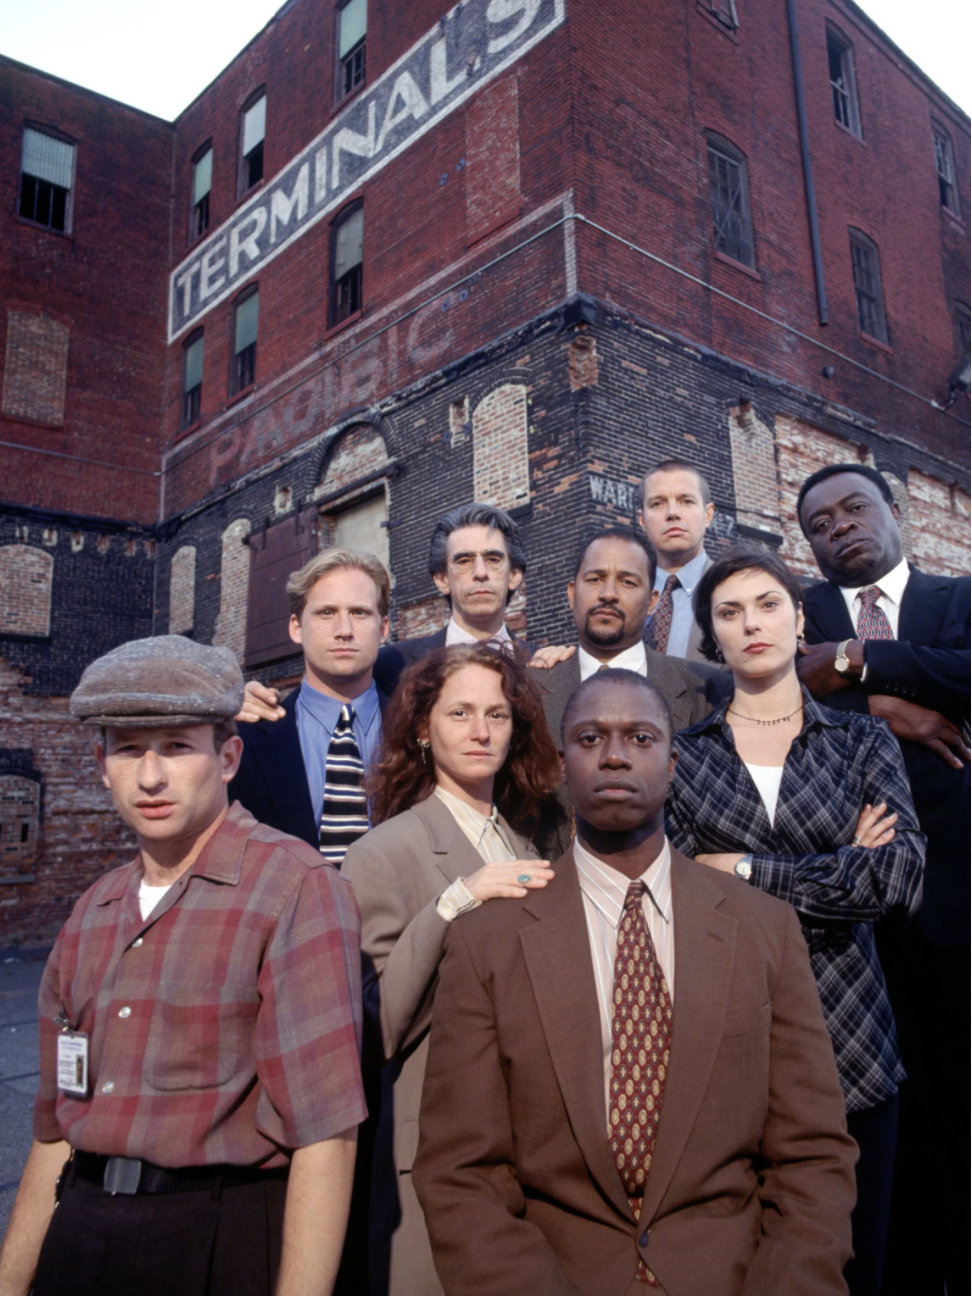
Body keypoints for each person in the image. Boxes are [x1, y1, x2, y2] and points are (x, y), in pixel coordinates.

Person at [413, 668, 857, 1295]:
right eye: (591, 739)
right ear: (562, 764)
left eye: (640, 738)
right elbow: (462, 1174)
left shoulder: (763, 928)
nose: (616, 755)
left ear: (673, 764)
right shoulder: (489, 940)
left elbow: (812, 1156)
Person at [0, 635, 365, 1296]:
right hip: (79, 1229)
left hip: (216, 1237)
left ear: (227, 758)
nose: (150, 777)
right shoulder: (92, 912)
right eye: (129, 749)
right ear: (102, 764)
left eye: (176, 746)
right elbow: (53, 1132)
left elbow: (326, 1138)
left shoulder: (292, 888)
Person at [665, 546, 925, 1296]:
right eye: (731, 612)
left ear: (799, 615)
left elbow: (898, 878)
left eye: (769, 604)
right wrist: (841, 864)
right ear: (711, 636)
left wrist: (743, 869)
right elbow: (684, 898)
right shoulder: (686, 759)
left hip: (853, 1042)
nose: (753, 624)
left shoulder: (859, 740)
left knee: (856, 1265)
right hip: (732, 1041)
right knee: (746, 1268)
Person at [794, 463, 970, 1296]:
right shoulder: (800, 613)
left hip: (954, 905)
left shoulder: (956, 598)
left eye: (854, 509)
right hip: (849, 920)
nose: (840, 529)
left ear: (892, 512)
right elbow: (764, 691)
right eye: (820, 524)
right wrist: (884, 707)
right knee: (880, 1131)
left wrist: (857, 660)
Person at [341, 644, 559, 1296]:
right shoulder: (383, 852)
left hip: (535, 1149)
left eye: (497, 714)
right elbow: (372, 1028)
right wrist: (455, 900)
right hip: (436, 1156)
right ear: (420, 727)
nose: (480, 730)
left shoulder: (535, 841)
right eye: (459, 712)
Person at [530, 527, 731, 857]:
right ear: (571, 592)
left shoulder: (705, 689)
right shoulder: (527, 692)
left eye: (627, 581)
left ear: (653, 600)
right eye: (595, 579)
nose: (608, 593)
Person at [230, 547, 391, 860]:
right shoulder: (244, 740)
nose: (344, 631)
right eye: (326, 613)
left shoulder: (423, 734)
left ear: (383, 628)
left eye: (359, 613)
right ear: (296, 627)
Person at [372, 503, 538, 696]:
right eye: (464, 561)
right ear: (442, 579)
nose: (480, 572)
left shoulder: (549, 668)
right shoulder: (390, 666)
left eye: (493, 559)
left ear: (514, 575)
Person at [637, 459, 715, 661]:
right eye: (658, 503)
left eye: (686, 501)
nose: (672, 513)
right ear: (642, 520)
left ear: (708, 514)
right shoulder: (627, 594)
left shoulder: (735, 590)